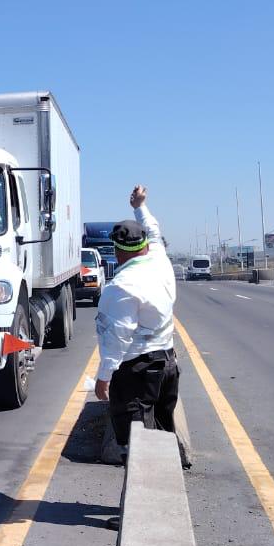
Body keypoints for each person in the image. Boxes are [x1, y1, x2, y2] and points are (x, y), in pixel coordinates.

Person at [93, 185, 178, 461]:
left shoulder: (121, 286)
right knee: (162, 433)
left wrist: (104, 377)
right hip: (167, 365)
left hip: (136, 372)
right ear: (145, 246)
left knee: (136, 446)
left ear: (117, 252)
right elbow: (153, 230)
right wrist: (140, 206)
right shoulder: (160, 260)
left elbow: (117, 336)